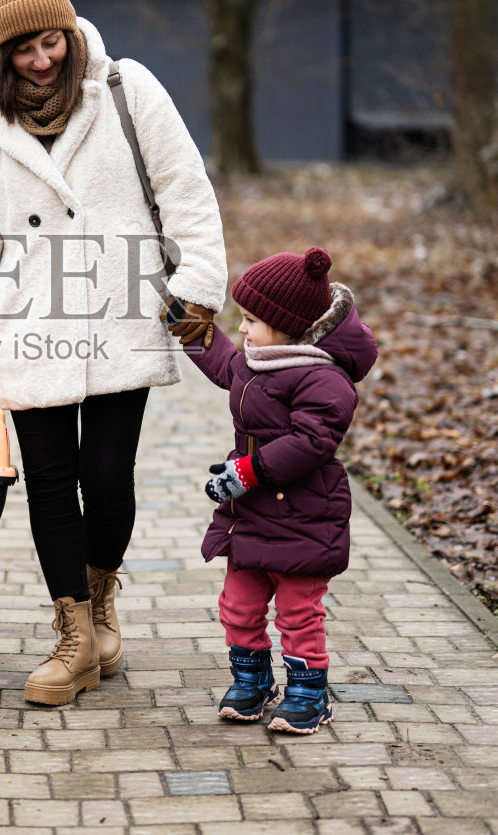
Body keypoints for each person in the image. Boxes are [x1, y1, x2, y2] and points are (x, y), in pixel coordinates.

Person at [0, 0, 228, 705]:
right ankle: (72, 636)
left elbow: (186, 188)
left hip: (118, 314)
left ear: (68, 27)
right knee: (50, 482)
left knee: (108, 473)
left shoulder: (126, 88)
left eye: (51, 39)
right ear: (2, 51)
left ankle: (102, 604)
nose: (43, 60)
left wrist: (197, 285)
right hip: (31, 324)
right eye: (25, 48)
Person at [186, 246, 377, 733]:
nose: (243, 329)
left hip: (303, 515)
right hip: (251, 516)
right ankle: (252, 681)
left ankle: (309, 694)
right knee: (239, 604)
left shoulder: (325, 379)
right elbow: (223, 360)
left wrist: (247, 473)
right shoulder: (259, 361)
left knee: (297, 611)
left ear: (288, 324)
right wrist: (183, 324)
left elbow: (312, 440)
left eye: (251, 319)